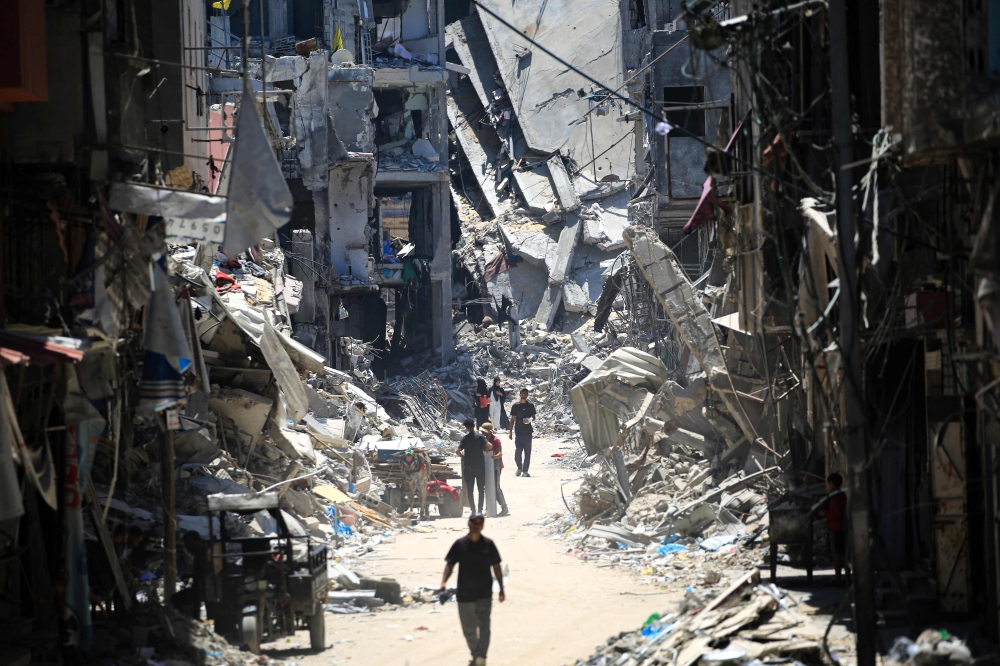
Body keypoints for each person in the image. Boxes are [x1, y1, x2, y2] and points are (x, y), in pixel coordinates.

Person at [440, 513, 505, 666]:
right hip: (464, 595)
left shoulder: (489, 544)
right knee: (468, 628)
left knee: (484, 626)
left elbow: (496, 567)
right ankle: (477, 655)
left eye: (480, 522)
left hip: (484, 593)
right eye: (474, 522)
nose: (477, 525)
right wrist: (443, 583)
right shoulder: (459, 544)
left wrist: (501, 588)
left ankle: (481, 656)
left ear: (483, 525)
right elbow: (450, 565)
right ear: (468, 523)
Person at [819, 472, 848, 585]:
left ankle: (838, 578)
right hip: (844, 527)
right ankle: (848, 578)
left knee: (836, 554)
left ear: (831, 483)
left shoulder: (830, 496)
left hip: (834, 527)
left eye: (828, 483)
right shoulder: (842, 495)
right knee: (844, 553)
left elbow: (822, 513)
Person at [458, 418, 492, 513]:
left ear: (466, 428)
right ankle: (480, 510)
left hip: (468, 467)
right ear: (474, 425)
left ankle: (473, 510)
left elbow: (457, 451)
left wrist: (463, 457)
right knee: (481, 489)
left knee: (470, 490)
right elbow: (490, 446)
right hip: (480, 466)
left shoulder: (465, 438)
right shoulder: (480, 437)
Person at [171, 531, 207, 619]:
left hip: (204, 589)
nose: (186, 547)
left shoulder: (201, 553)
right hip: (202, 587)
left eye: (187, 544)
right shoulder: (202, 551)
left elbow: (202, 573)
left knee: (175, 599)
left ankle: (187, 620)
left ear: (193, 541)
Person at [480, 423, 509, 517]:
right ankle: (489, 507)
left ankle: (504, 508)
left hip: (496, 466)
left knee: (496, 487)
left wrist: (494, 456)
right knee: (487, 487)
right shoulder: (483, 440)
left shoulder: (495, 440)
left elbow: (500, 453)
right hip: (486, 465)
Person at [508, 388, 536, 477]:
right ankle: (519, 467)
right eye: (522, 393)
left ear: (527, 395)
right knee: (518, 451)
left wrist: (529, 420)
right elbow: (512, 419)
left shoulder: (531, 405)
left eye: (525, 393)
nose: (523, 394)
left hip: (528, 432)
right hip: (518, 431)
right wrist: (510, 432)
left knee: (527, 452)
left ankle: (525, 471)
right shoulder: (516, 406)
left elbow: (533, 417)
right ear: (520, 394)